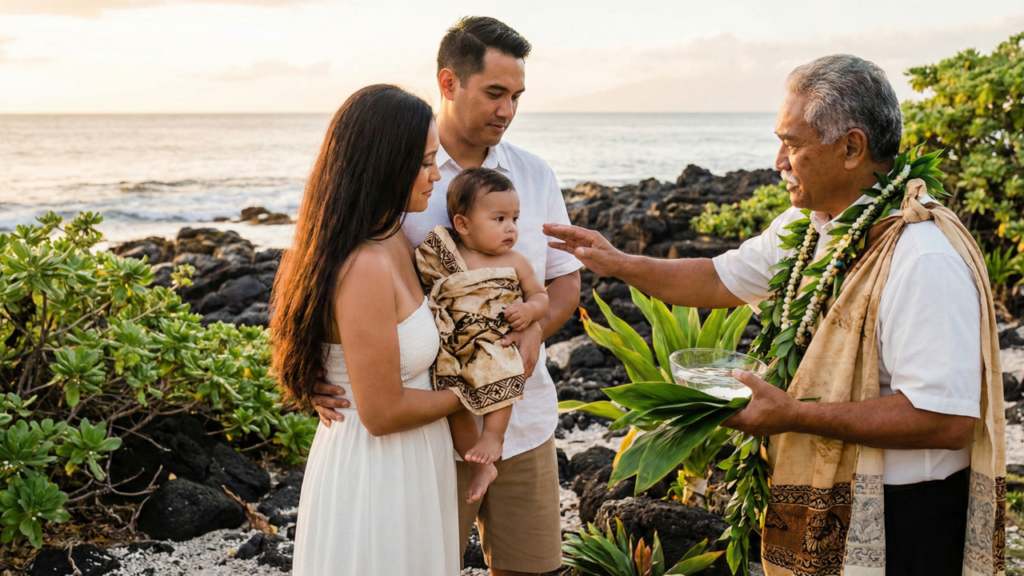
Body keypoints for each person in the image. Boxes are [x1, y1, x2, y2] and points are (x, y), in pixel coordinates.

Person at [545, 55, 1005, 576]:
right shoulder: (813, 225)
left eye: (793, 143)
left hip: (905, 515)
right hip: (827, 498)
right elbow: (718, 278)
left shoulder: (922, 258)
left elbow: (943, 420)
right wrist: (618, 262)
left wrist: (792, 415)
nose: (778, 160)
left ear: (852, 147)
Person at [310, 17, 581, 576]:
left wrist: (529, 333)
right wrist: (312, 367)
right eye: (495, 93)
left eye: (517, 97)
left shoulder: (533, 176)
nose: (507, 110)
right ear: (449, 82)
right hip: (427, 430)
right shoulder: (400, 176)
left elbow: (562, 283)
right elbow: (328, 276)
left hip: (521, 419)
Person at [271, 84, 466, 575]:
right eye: (424, 163)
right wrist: (473, 391)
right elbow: (382, 411)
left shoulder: (396, 237)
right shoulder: (365, 264)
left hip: (415, 458)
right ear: (383, 166)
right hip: (377, 469)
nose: (435, 175)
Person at [415, 167, 550, 503]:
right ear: (462, 224)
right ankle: (477, 463)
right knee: (454, 395)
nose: (511, 228)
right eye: (499, 218)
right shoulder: (446, 255)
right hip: (455, 343)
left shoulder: (515, 260)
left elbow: (541, 296)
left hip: (494, 340)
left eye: (515, 219)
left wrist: (530, 314)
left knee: (501, 367)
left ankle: (493, 437)